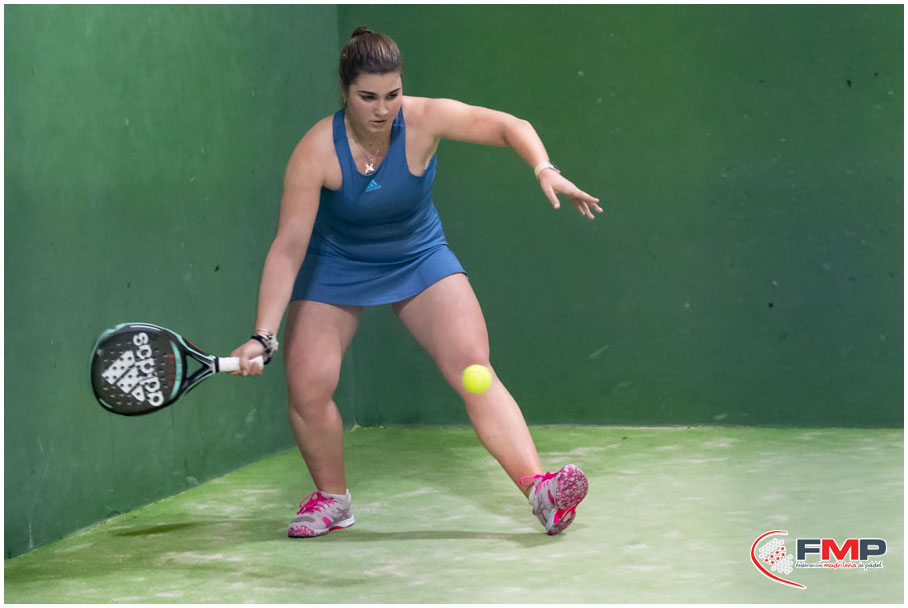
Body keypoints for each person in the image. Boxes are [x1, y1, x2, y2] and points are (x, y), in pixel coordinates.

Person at [230, 27, 602, 538]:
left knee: (473, 365)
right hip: (337, 263)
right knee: (308, 387)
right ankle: (332, 499)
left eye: (393, 94)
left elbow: (510, 126)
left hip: (418, 255)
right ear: (344, 91)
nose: (383, 109)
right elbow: (289, 247)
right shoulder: (316, 151)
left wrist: (543, 168)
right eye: (368, 97)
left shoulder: (424, 119)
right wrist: (263, 334)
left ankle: (541, 491)